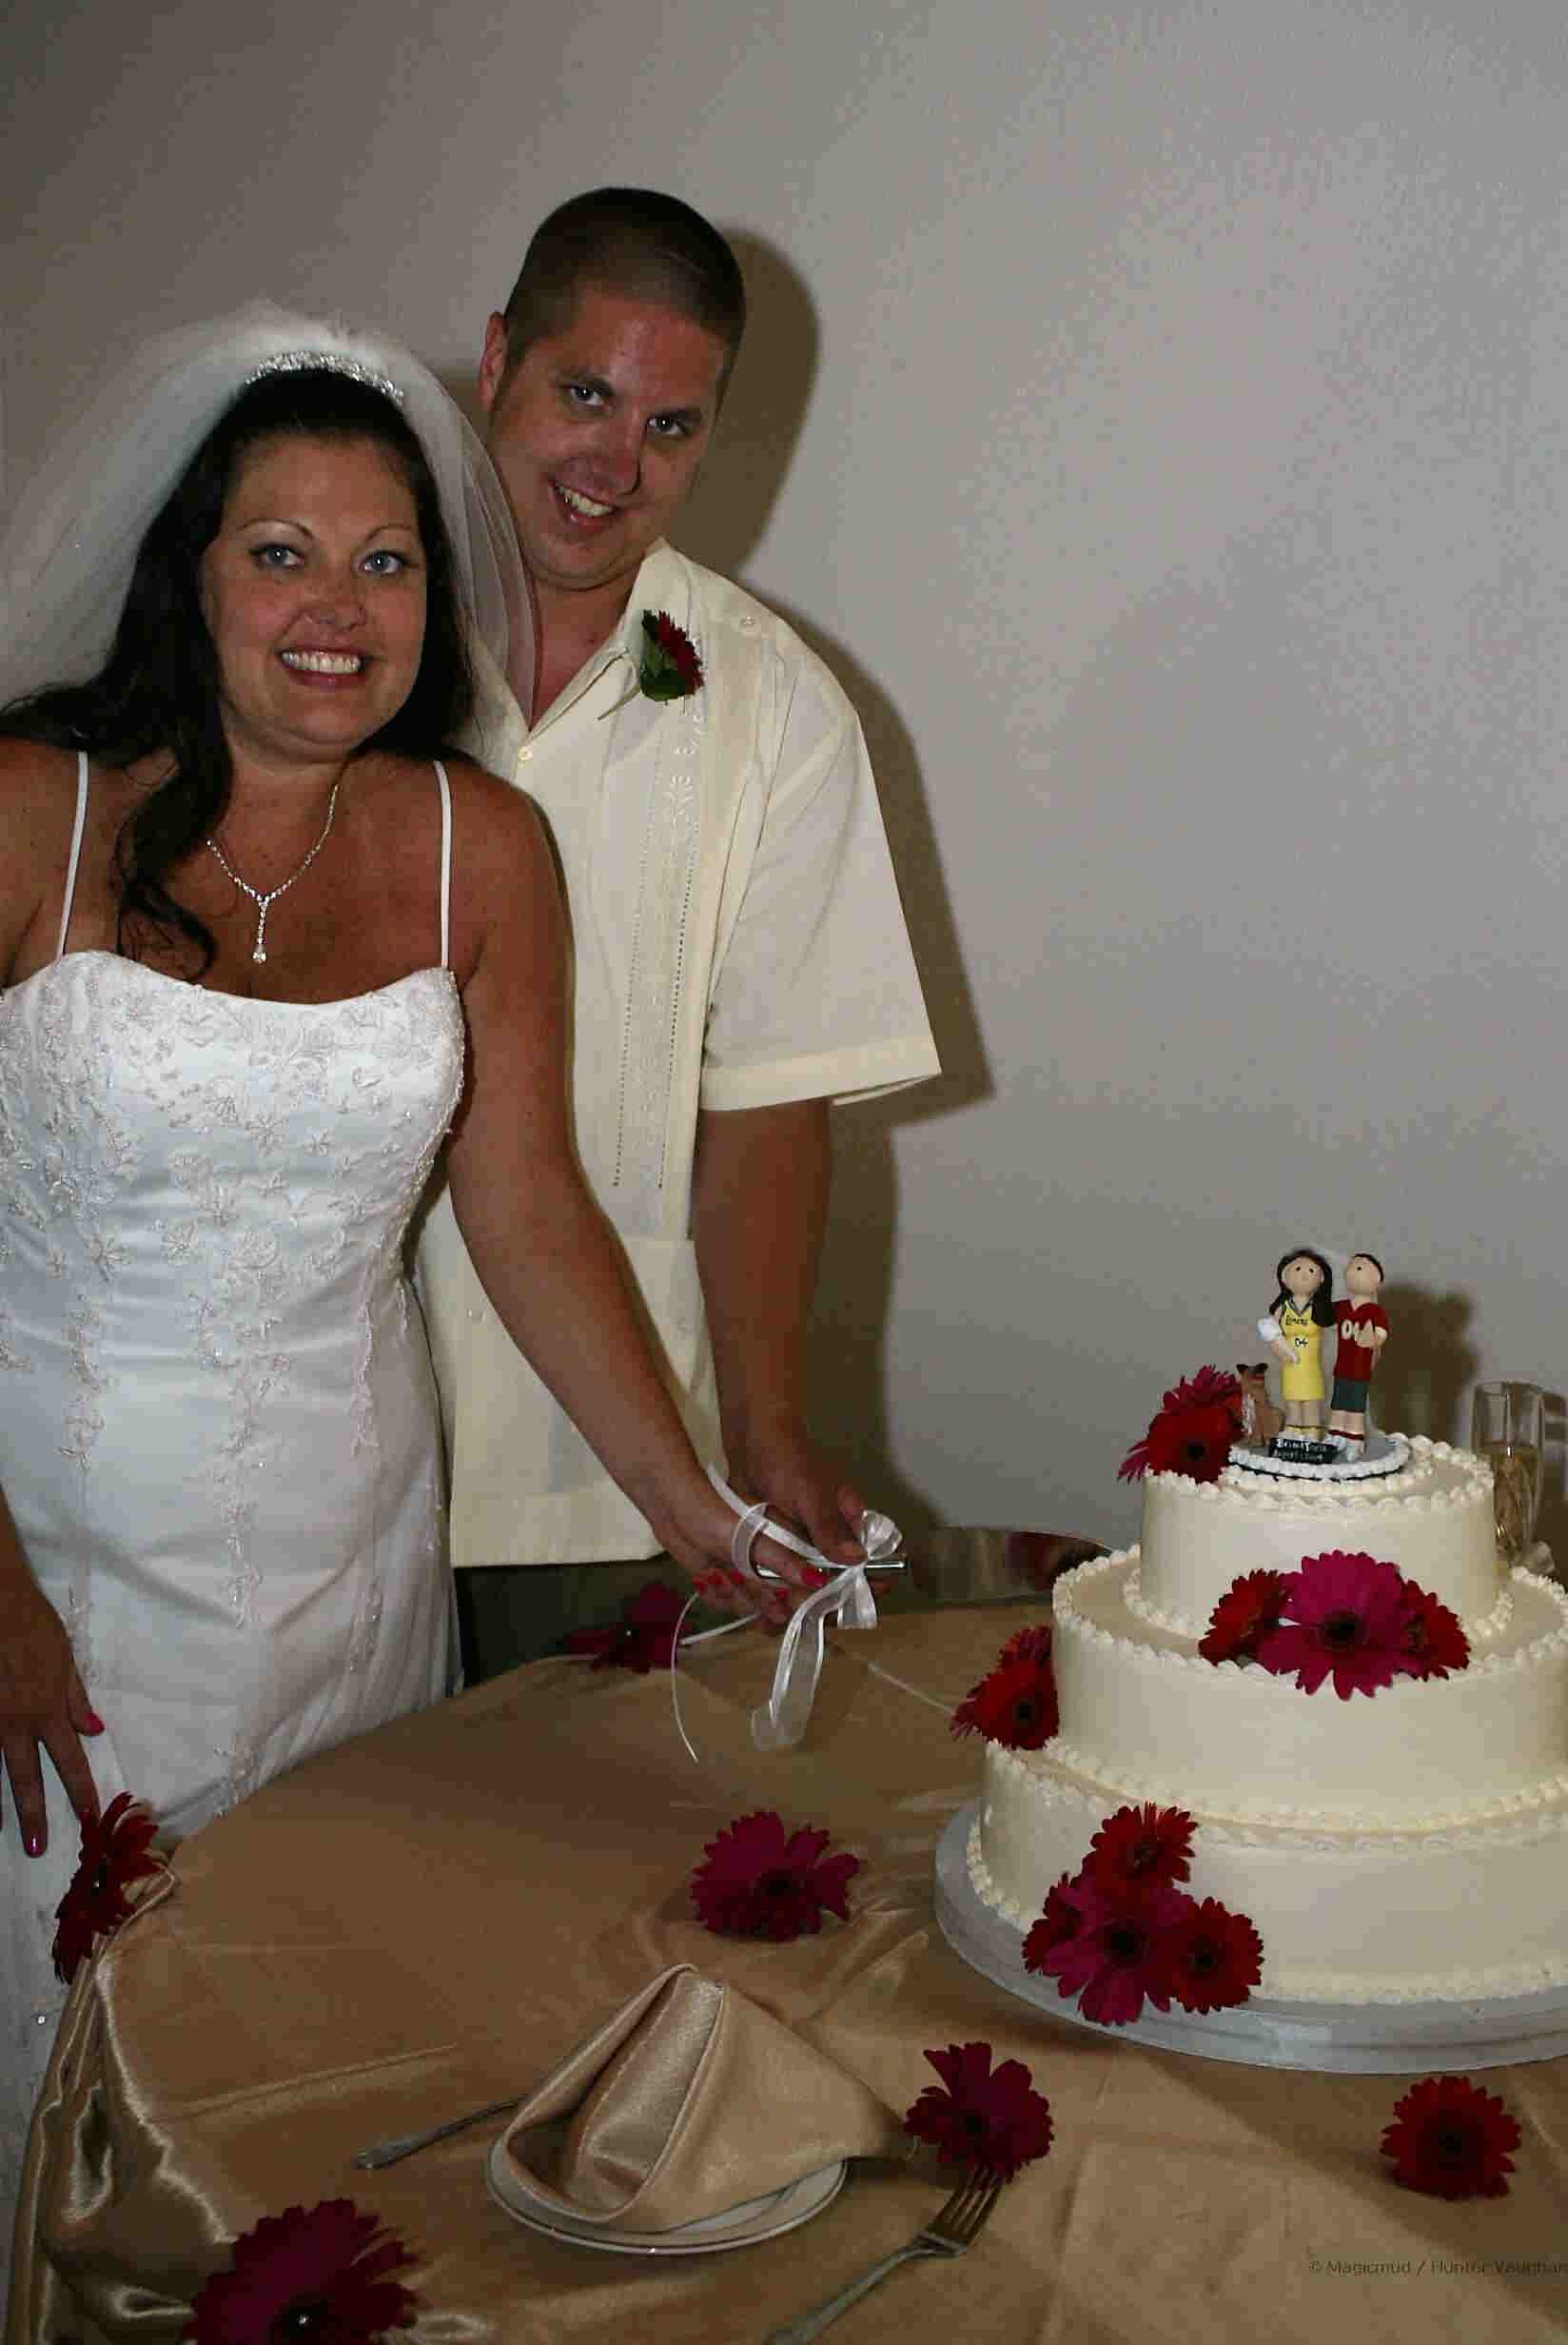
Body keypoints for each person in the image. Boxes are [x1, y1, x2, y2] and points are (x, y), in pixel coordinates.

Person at [0, 305, 813, 2286]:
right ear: (189, 570)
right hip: (56, 1572)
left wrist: (695, 1501)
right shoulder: (32, 806)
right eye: (280, 550)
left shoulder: (481, 844)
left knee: (295, 2080)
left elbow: (525, 1208)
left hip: (357, 1570)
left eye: (384, 560)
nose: (336, 607)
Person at [413, 189, 941, 1675]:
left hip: (613, 1468)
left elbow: (771, 1106)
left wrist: (764, 1432)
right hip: (320, 1440)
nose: (615, 464)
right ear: (499, 361)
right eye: (586, 393)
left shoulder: (774, 706)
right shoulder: (335, 644)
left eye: (671, 425)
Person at [1258, 1248, 1336, 1432]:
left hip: (1311, 1367)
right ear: (1284, 1276)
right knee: (1292, 1402)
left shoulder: (1319, 1308)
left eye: (1311, 1271)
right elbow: (1269, 1329)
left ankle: (1311, 1432)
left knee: (1310, 1402)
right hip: (1290, 1366)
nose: (1304, 1275)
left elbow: (1337, 1328)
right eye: (1298, 1269)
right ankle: (1293, 1431)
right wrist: (1275, 1341)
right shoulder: (1282, 1308)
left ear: (1321, 1278)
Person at [1327, 1251, 1389, 1443]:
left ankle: (1354, 1438)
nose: (1352, 1271)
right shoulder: (1342, 1306)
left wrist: (1373, 1340)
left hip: (1360, 1370)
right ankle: (1335, 1434)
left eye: (1359, 1267)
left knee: (1355, 1406)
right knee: (1338, 1403)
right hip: (1341, 1367)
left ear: (1376, 1278)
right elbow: (1323, 1317)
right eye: (1350, 1267)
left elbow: (1381, 1334)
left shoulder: (1375, 1311)